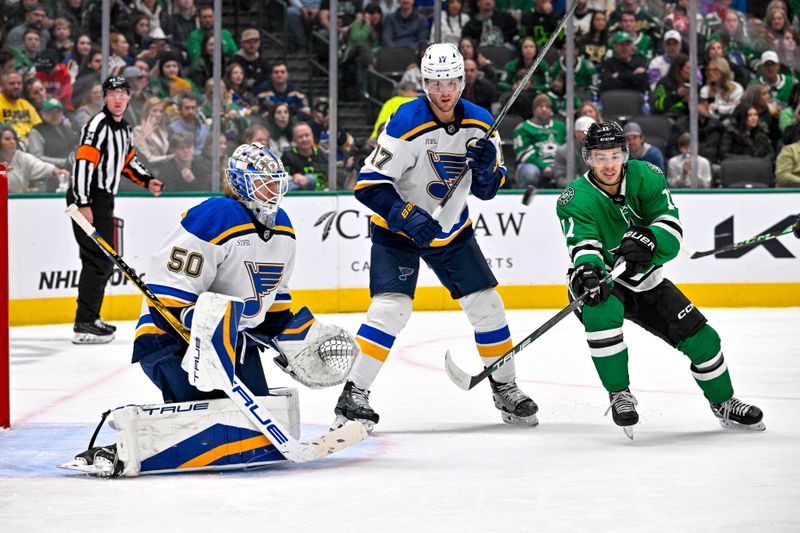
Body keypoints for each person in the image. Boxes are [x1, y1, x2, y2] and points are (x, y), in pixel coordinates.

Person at [67, 142, 359, 476]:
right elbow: (171, 295)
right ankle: (118, 449)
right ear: (240, 183)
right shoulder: (216, 216)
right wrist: (203, 326)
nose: (273, 188)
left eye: (276, 180)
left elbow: (274, 305)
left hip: (234, 343)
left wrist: (294, 336)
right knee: (206, 421)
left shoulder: (284, 227)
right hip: (172, 340)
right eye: (263, 180)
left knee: (254, 425)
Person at [332, 42, 538, 432]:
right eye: (435, 82)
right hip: (399, 234)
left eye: (452, 81)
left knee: (488, 307)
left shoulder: (481, 123)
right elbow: (368, 185)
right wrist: (406, 217)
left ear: (464, 80)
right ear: (423, 83)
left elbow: (488, 191)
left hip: (452, 230)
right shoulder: (404, 122)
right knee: (391, 309)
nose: (444, 91)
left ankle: (505, 387)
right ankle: (353, 393)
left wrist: (485, 170)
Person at [555, 121, 765, 437]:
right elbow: (583, 245)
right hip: (607, 281)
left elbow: (671, 230)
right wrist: (589, 271)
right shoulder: (575, 198)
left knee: (705, 340)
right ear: (588, 158)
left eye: (614, 155)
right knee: (600, 310)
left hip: (648, 279)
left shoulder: (647, 175)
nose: (608, 165)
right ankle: (619, 395)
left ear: (625, 153)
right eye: (600, 157)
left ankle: (723, 402)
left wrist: (651, 239)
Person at [67, 76, 163, 344]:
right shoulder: (97, 125)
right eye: (112, 93)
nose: (118, 98)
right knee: (98, 260)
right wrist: (83, 202)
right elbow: (83, 163)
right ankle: (84, 324)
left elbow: (127, 161)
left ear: (129, 97)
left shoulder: (123, 129)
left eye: (122, 93)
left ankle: (89, 318)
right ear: (104, 97)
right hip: (88, 198)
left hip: (103, 199)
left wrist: (147, 180)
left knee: (102, 260)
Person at [0, 124, 69, 192]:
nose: (12, 142)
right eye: (7, 139)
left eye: (14, 139)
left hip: (17, 200)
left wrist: (55, 171)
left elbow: (38, 165)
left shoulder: (22, 157)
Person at [0, 71, 41, 143]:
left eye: (19, 83)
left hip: (31, 144)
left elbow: (39, 127)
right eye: (12, 83)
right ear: (3, 85)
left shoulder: (26, 105)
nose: (16, 86)